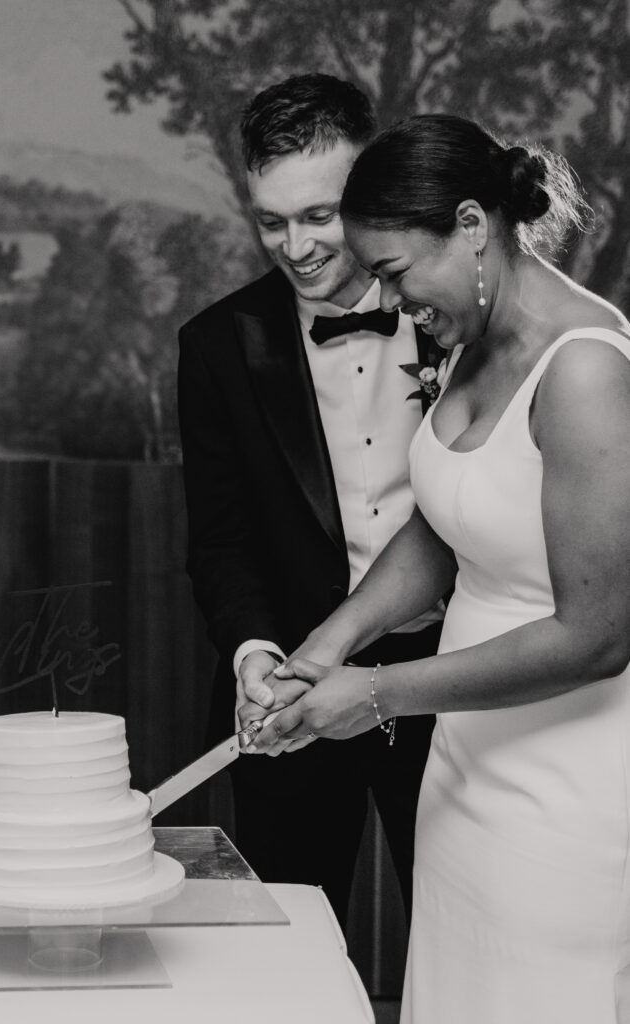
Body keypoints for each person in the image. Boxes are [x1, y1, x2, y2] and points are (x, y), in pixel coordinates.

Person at [247, 114, 630, 1022]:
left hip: (567, 786)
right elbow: (449, 520)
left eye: (393, 271)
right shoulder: (469, 335)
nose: (391, 300)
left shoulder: (585, 372)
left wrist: (377, 693)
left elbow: (598, 637)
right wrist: (330, 642)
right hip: (465, 762)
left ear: (469, 225)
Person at [177, 74, 444, 929]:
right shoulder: (216, 346)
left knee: (460, 930)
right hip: (296, 692)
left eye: (318, 216)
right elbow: (220, 539)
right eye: (270, 222)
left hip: (453, 678)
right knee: (291, 942)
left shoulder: (453, 317)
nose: (294, 247)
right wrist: (253, 653)